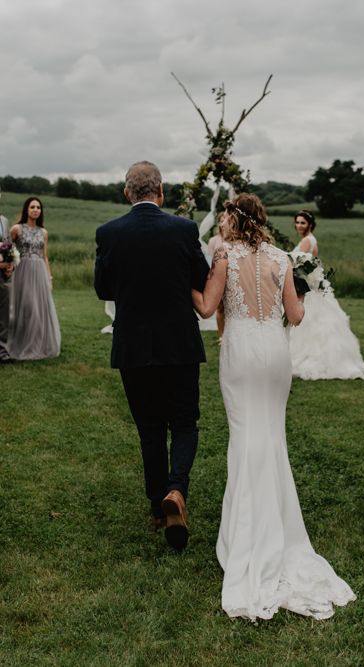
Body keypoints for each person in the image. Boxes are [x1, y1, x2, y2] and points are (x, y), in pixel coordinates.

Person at [191, 193, 356, 621]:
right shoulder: (283, 257)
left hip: (242, 350)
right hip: (274, 350)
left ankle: (245, 536)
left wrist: (183, 283)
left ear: (233, 218)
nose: (222, 222)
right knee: (271, 436)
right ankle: (278, 529)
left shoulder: (223, 252)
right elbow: (297, 315)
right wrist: (306, 287)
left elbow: (207, 306)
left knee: (246, 435)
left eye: (225, 215)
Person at [94, 161, 210, 551]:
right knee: (184, 422)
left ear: (127, 193)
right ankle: (176, 491)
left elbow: (102, 289)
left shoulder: (108, 233)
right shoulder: (184, 229)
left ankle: (157, 508)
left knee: (149, 428)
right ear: (161, 192)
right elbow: (200, 278)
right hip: (179, 344)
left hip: (133, 346)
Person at [288, 209, 364, 380]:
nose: (299, 225)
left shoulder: (307, 241)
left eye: (303, 223)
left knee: (310, 322)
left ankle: (311, 357)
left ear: (310, 224)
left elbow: (296, 265)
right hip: (312, 285)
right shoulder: (312, 240)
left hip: (307, 287)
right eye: (297, 222)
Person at [7, 197, 61, 360]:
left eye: (38, 207)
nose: (36, 210)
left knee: (39, 308)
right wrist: (8, 267)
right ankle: (20, 342)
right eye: (32, 207)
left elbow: (45, 257)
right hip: (22, 271)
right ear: (26, 210)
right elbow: (7, 250)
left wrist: (49, 277)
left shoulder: (43, 232)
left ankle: (38, 343)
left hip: (39, 273)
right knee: (27, 307)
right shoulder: (17, 229)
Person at [0, 194, 14, 363]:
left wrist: (11, 263)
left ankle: (2, 351)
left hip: (3, 276)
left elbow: (8, 244)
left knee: (3, 313)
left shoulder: (4, 221)